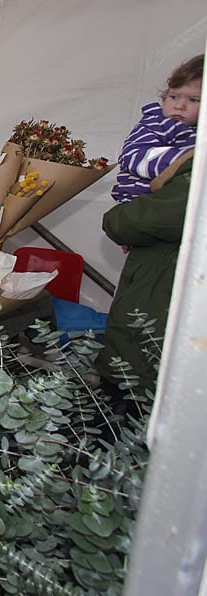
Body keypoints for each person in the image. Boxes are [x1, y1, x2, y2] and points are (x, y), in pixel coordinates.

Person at [95, 153, 193, 407]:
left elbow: (129, 221)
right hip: (164, 297)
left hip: (156, 306)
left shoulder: (194, 182)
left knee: (128, 400)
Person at [111, 54, 201, 203]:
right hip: (141, 198)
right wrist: (184, 160)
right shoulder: (156, 123)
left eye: (193, 100)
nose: (179, 106)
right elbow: (133, 155)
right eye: (174, 97)